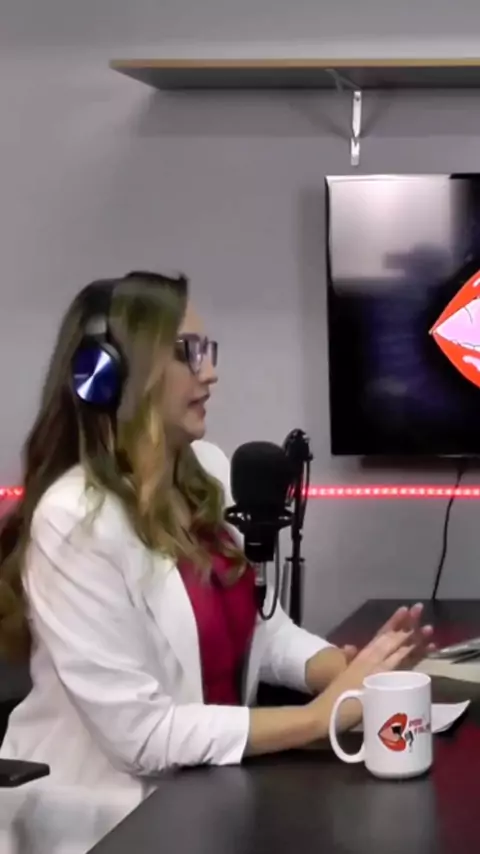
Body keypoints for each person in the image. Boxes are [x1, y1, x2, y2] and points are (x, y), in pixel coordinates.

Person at [0, 270, 433, 852]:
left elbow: (261, 631)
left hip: (208, 793)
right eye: (188, 352)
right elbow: (142, 735)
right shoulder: (71, 520)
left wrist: (358, 674)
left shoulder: (207, 469)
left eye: (208, 350)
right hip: (103, 819)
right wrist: (319, 717)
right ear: (110, 374)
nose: (210, 372)